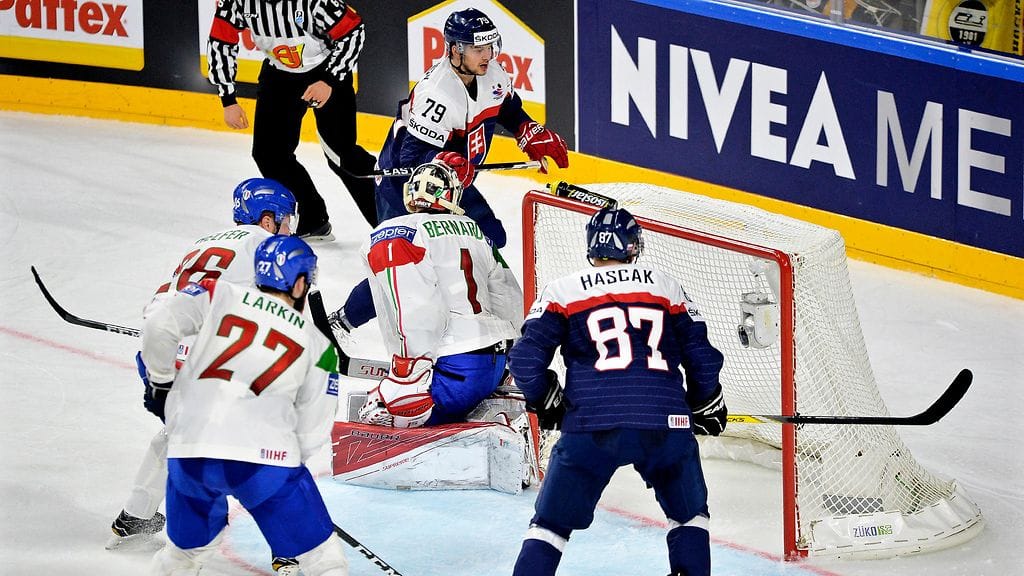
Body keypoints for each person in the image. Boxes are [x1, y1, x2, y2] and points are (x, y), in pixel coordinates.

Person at [507, 207, 728, 576]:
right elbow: (702, 359)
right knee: (689, 516)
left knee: (549, 527)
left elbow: (525, 361)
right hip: (665, 423)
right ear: (632, 246)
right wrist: (706, 402)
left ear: (592, 248)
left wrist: (548, 398)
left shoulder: (562, 289)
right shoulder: (665, 285)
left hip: (592, 423)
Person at [327, 6, 570, 331]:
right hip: (406, 189)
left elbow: (509, 108)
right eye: (478, 49)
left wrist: (528, 130)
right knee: (402, 262)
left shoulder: (492, 73)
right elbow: (410, 160)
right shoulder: (437, 93)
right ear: (456, 50)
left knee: (489, 237)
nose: (488, 55)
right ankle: (342, 322)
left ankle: (469, 318)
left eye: (490, 46)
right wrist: (444, 163)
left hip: (454, 180)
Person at [107, 177, 298, 551]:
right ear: (266, 219)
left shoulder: (204, 242)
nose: (290, 228)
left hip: (162, 356)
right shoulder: (267, 245)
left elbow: (164, 303)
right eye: (286, 219)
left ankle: (136, 515)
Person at [142, 235, 346, 576]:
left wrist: (160, 382)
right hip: (266, 464)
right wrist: (287, 479)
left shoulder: (216, 293)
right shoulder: (318, 344)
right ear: (299, 283)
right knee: (323, 562)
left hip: (189, 455)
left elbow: (159, 323)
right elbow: (313, 429)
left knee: (181, 557)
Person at [354, 161, 523, 428]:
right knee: (452, 407)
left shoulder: (397, 232)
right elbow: (510, 299)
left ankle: (436, 425)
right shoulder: (476, 232)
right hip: (495, 362)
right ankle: (480, 419)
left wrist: (407, 372)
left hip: (453, 366)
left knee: (377, 413)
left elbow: (417, 306)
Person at [207, 0, 378, 239]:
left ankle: (389, 221)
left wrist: (329, 80)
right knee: (269, 154)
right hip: (279, 75)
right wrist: (228, 98)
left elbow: (353, 31)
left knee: (342, 155)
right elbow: (221, 41)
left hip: (325, 69)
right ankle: (313, 219)